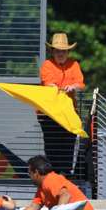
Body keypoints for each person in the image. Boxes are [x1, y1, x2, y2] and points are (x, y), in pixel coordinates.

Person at [38, 32, 86, 176]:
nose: (61, 53)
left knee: (68, 144)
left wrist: (73, 87)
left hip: (68, 113)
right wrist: (54, 86)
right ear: (52, 51)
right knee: (52, 145)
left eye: (63, 51)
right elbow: (47, 82)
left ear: (68, 52)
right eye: (58, 51)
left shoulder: (74, 64)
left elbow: (81, 83)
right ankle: (52, 174)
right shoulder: (47, 65)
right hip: (49, 115)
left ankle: (65, 175)